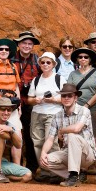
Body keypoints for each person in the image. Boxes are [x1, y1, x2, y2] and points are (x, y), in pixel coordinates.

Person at [39, 84, 96, 187]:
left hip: (87, 154)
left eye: (69, 96)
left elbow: (77, 129)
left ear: (75, 98)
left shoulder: (84, 111)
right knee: (45, 161)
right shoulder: (57, 115)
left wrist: (61, 131)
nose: (66, 98)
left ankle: (73, 175)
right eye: (64, 96)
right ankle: (73, 176)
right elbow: (50, 139)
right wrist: (43, 153)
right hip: (69, 153)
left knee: (72, 135)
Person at [67, 47, 96, 185]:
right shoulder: (73, 74)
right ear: (77, 60)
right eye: (80, 57)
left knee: (95, 141)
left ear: (90, 59)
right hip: (77, 110)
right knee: (80, 139)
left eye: (85, 57)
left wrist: (88, 105)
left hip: (94, 109)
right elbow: (70, 91)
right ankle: (82, 171)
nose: (83, 59)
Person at [28, 51, 66, 183]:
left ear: (53, 64)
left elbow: (66, 98)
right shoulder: (36, 79)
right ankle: (44, 171)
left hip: (53, 113)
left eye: (48, 62)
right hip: (37, 112)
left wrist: (54, 100)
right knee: (38, 142)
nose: (45, 64)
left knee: (52, 142)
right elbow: (29, 99)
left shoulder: (59, 79)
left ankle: (55, 172)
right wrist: (35, 100)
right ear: (39, 64)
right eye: (42, 62)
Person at [11, 30, 41, 172]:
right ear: (18, 44)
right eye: (24, 43)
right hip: (14, 101)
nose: (27, 46)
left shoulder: (37, 60)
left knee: (30, 134)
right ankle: (15, 165)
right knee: (14, 133)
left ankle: (32, 167)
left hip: (30, 102)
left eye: (30, 43)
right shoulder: (11, 59)